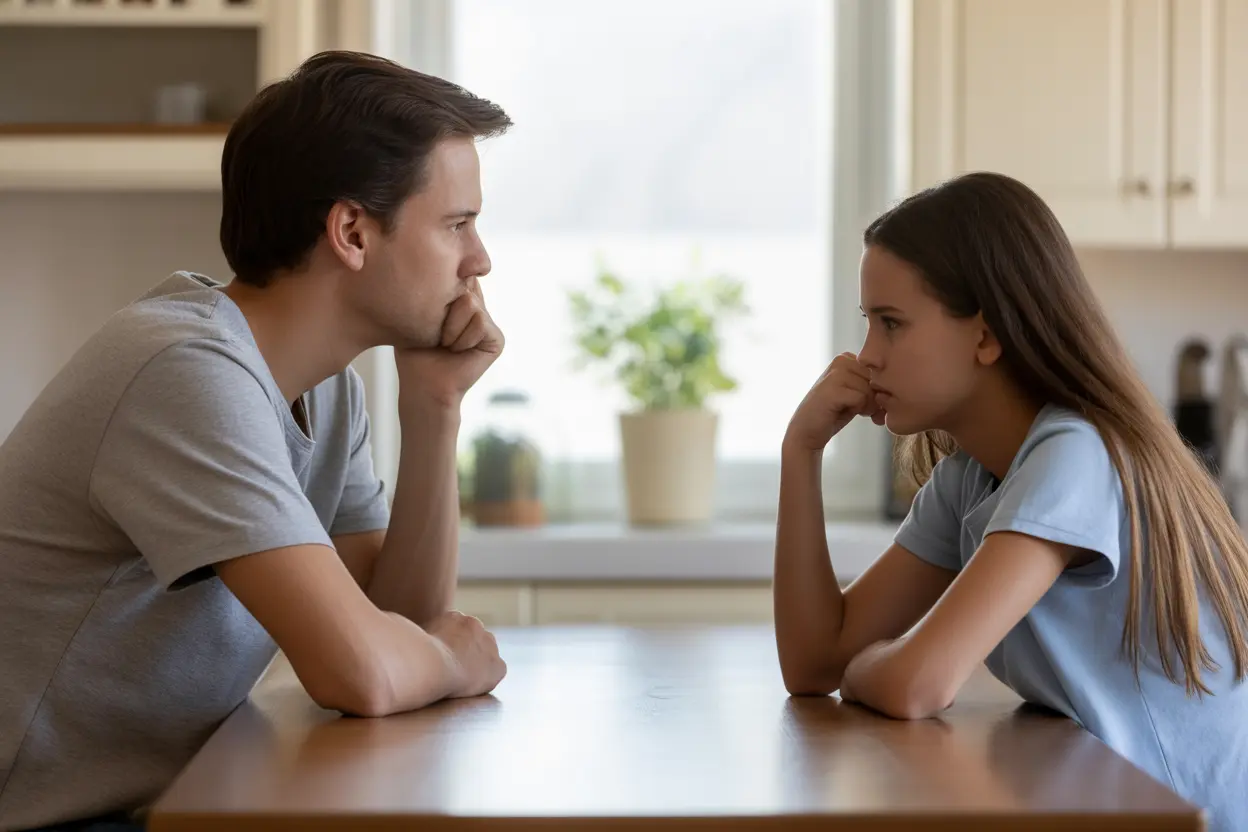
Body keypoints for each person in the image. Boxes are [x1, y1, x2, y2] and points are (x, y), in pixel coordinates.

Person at [0, 51, 512, 831]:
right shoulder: (185, 369)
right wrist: (453, 660)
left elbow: (393, 622)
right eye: (457, 224)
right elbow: (362, 671)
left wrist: (435, 404)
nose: (479, 260)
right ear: (351, 231)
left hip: (147, 805)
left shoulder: (324, 388)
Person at [773, 172, 1248, 831]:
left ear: (986, 336)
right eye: (868, 324)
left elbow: (917, 686)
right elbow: (812, 662)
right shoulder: (973, 479)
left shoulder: (1075, 455)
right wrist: (801, 453)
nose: (866, 357)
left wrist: (868, 668)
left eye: (891, 324)